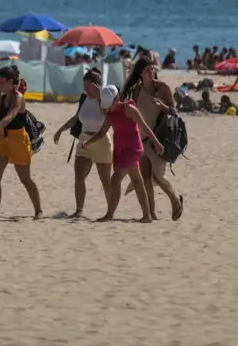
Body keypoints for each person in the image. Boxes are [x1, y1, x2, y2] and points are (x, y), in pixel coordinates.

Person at [87, 85, 164, 223]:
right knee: (137, 181)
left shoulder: (129, 109)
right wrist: (88, 143)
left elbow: (144, 127)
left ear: (117, 99)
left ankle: (109, 215)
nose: (106, 107)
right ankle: (147, 215)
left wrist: (156, 142)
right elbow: (102, 132)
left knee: (115, 180)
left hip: (132, 149)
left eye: (109, 104)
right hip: (121, 150)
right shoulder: (110, 114)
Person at [0, 65, 43, 220]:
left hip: (18, 140)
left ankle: (38, 210)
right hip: (2, 139)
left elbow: (11, 116)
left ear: (11, 82)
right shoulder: (2, 97)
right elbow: (2, 118)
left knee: (25, 179)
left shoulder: (18, 97)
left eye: (1, 82)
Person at [126, 58, 184, 221]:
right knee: (146, 178)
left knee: (158, 176)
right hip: (142, 139)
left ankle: (174, 200)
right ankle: (151, 213)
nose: (150, 72)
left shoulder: (162, 88)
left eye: (151, 69)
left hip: (159, 139)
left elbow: (175, 112)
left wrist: (162, 106)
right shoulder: (137, 90)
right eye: (146, 70)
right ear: (140, 73)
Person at [52, 70, 114, 219]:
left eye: (87, 85)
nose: (85, 88)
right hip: (84, 140)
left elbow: (110, 119)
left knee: (105, 180)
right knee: (79, 176)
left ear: (95, 85)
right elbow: (76, 118)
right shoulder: (84, 98)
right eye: (84, 85)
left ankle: (110, 211)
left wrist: (100, 97)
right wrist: (60, 130)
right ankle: (79, 210)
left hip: (101, 141)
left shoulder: (104, 100)